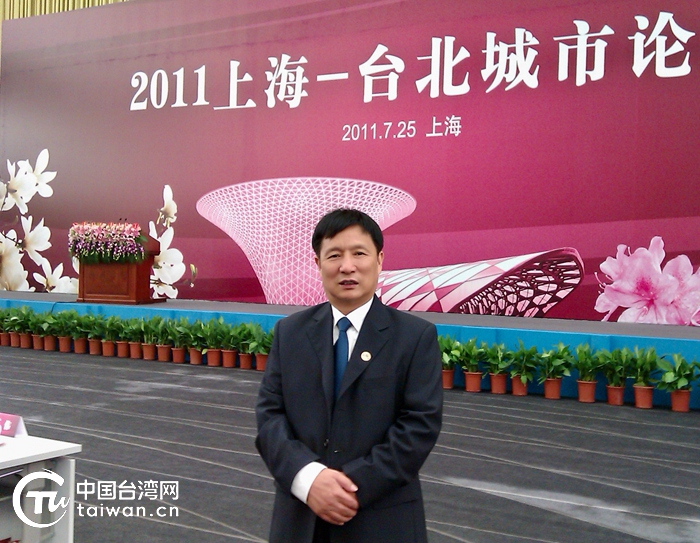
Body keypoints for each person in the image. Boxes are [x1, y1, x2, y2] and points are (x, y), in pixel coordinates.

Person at [255, 208, 443, 543]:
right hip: (300, 520)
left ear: (379, 259)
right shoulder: (290, 333)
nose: (347, 266)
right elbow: (270, 417)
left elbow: (419, 426)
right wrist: (309, 480)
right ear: (317, 263)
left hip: (381, 521)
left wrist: (346, 488)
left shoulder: (414, 338)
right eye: (334, 255)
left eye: (359, 253)